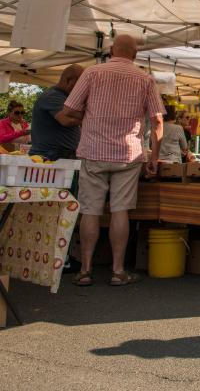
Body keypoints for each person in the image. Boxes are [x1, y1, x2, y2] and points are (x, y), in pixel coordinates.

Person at [59, 34, 164, 287]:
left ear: (110, 50)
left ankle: (84, 270)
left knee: (90, 211)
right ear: (135, 55)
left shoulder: (92, 73)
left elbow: (69, 110)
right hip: (128, 154)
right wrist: (155, 157)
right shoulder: (145, 79)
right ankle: (117, 271)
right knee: (120, 211)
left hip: (94, 151)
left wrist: (90, 116)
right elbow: (158, 121)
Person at [29, 65, 84, 161]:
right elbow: (66, 120)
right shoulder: (52, 96)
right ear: (68, 80)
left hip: (58, 156)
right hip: (49, 157)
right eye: (79, 85)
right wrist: (90, 116)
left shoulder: (64, 98)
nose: (81, 89)